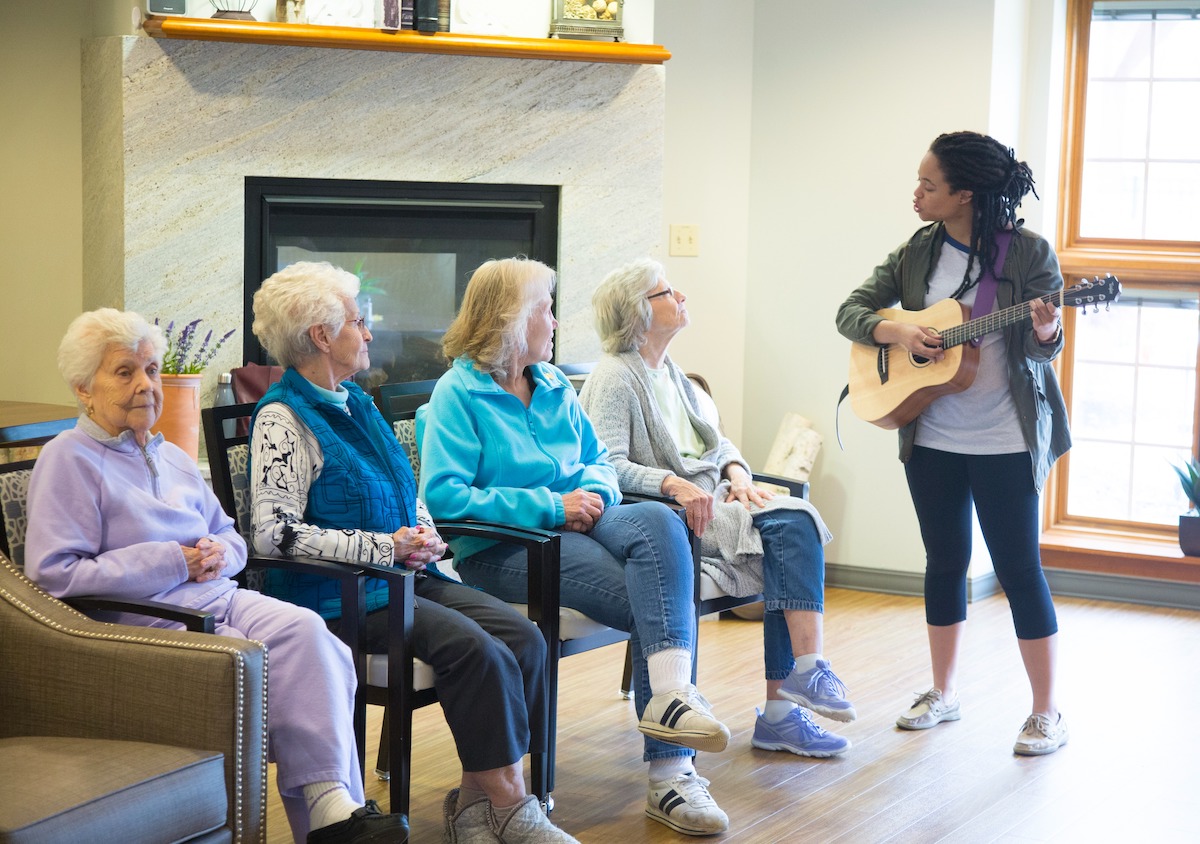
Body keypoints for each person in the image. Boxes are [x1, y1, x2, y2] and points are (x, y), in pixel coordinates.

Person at [25, 308, 408, 844]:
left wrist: (215, 554)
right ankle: (330, 818)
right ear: (83, 389)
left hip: (216, 598)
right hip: (143, 623)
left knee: (311, 637)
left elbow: (232, 537)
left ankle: (331, 810)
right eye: (124, 372)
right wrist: (174, 561)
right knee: (247, 662)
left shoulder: (171, 455)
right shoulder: (69, 460)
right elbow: (54, 574)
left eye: (153, 370)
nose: (145, 385)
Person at [247, 261, 577, 843]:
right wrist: (383, 546)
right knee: (478, 652)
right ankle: (515, 807)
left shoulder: (357, 403)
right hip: (344, 597)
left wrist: (423, 534)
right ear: (322, 336)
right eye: (358, 321)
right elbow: (272, 535)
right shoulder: (283, 418)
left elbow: (408, 490)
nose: (369, 333)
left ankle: (476, 811)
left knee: (524, 639)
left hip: (405, 577)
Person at [419, 257, 732, 837]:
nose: (557, 321)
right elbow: (444, 497)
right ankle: (671, 775)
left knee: (663, 531)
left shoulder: (555, 382)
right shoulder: (457, 394)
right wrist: (551, 506)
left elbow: (599, 462)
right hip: (508, 548)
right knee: (660, 596)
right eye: (546, 309)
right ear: (513, 320)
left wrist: (589, 493)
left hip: (584, 519)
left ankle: (670, 701)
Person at [835, 131, 1071, 756]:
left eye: (929, 185)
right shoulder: (918, 252)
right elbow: (851, 311)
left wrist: (1046, 331)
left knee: (1019, 569)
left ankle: (1045, 712)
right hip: (932, 435)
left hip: (1005, 439)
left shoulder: (1027, 254)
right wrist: (901, 330)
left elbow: (1046, 348)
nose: (916, 193)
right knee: (944, 562)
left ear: (965, 193)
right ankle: (944, 692)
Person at [580, 257, 856, 761]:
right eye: (667, 292)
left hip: (717, 503)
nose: (681, 296)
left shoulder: (675, 375)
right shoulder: (615, 378)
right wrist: (673, 484)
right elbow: (606, 466)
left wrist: (738, 475)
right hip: (672, 517)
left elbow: (718, 442)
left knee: (792, 521)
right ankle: (796, 689)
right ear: (638, 313)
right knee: (793, 524)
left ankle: (786, 705)